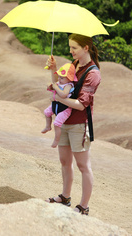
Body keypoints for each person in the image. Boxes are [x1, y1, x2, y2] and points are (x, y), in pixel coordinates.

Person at [44, 33, 101, 215]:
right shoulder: (73, 65)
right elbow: (60, 87)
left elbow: (81, 104)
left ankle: (83, 207)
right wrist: (53, 71)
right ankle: (65, 197)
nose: (70, 51)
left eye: (74, 47)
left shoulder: (93, 73)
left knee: (83, 166)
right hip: (65, 121)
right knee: (64, 161)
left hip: (80, 125)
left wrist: (59, 96)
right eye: (70, 47)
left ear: (86, 48)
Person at [41, 63, 76, 148]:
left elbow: (64, 95)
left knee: (57, 123)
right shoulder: (60, 83)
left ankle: (56, 140)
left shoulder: (68, 85)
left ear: (69, 78)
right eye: (59, 77)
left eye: (62, 77)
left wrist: (56, 87)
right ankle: (47, 126)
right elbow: (52, 89)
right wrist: (50, 87)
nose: (59, 79)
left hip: (65, 108)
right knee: (46, 112)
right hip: (55, 104)